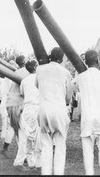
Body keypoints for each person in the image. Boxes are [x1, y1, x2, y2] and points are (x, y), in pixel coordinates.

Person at [36, 47, 73, 175]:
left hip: (44, 110)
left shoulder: (39, 69)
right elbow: (68, 97)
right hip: (59, 109)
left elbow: (37, 85)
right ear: (61, 58)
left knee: (46, 146)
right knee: (60, 146)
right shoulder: (65, 72)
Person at [13, 60, 41, 172]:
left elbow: (23, 94)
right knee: (36, 137)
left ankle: (30, 161)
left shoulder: (24, 80)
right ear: (35, 67)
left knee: (26, 136)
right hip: (36, 108)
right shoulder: (40, 78)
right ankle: (33, 163)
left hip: (27, 108)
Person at [1, 56, 30, 160]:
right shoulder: (26, 72)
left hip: (11, 102)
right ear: (24, 62)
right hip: (17, 103)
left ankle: (8, 150)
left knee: (16, 129)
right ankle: (23, 156)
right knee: (20, 129)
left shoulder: (17, 72)